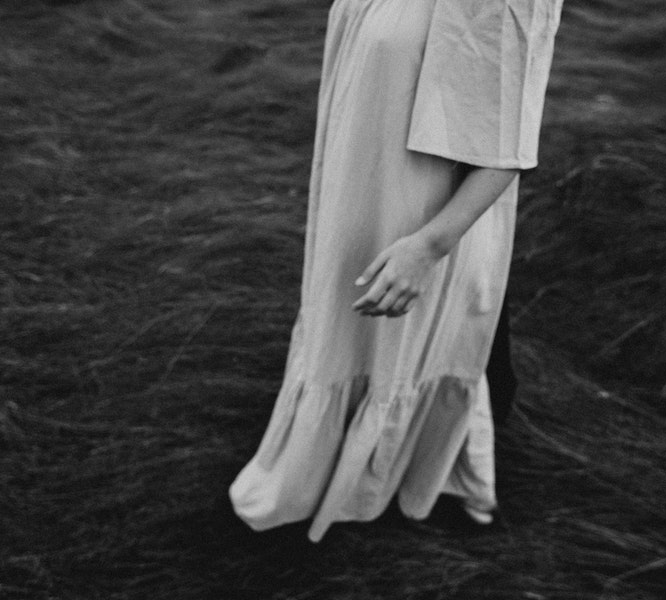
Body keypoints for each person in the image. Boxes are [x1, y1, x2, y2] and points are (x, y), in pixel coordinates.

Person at [230, 0, 563, 542]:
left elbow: (505, 147)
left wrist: (427, 248)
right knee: (362, 343)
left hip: (423, 216)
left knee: (442, 351)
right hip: (365, 189)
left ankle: (447, 481)